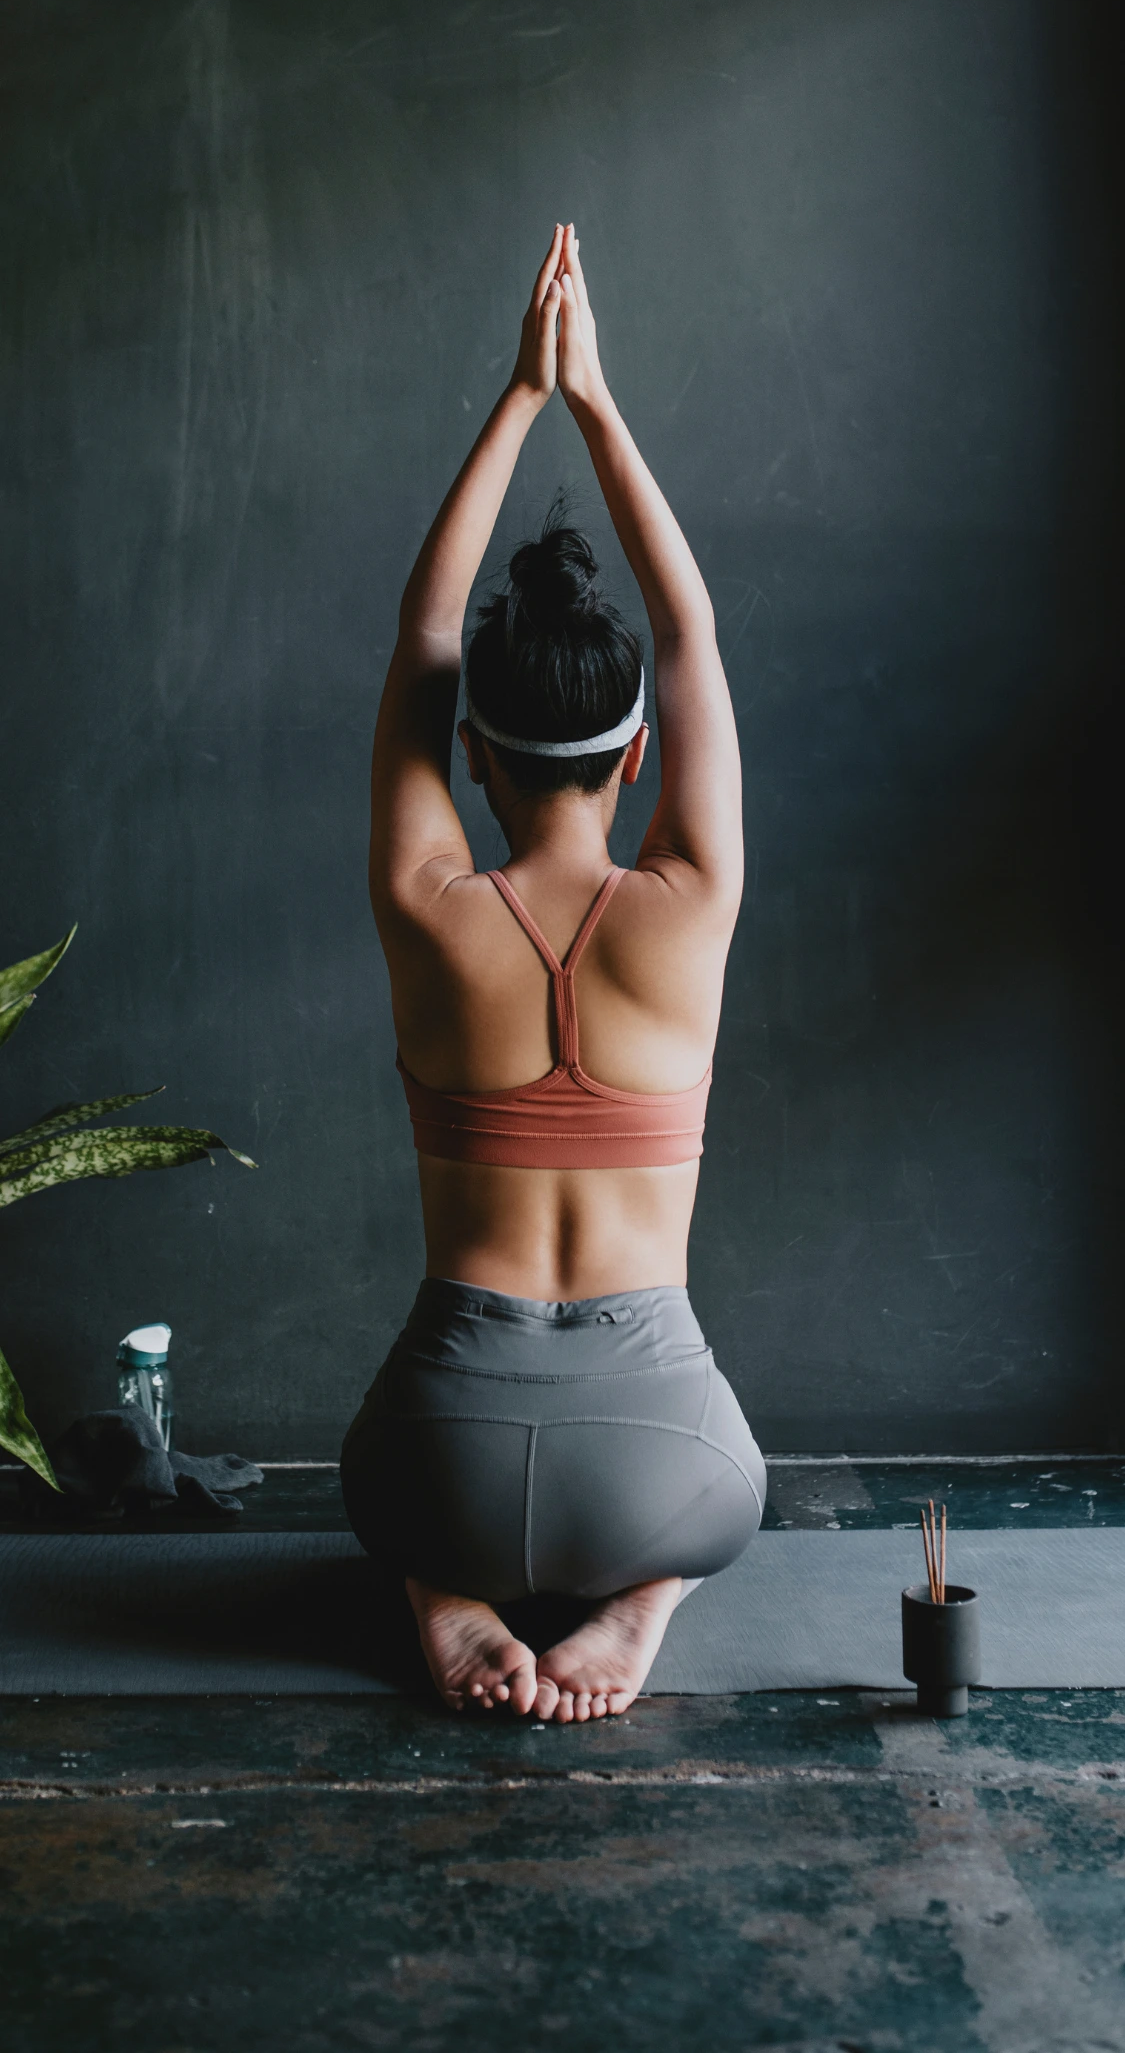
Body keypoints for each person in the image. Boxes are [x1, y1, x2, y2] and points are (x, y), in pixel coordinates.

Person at [342, 223, 765, 1723]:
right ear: (637, 756)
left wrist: (516, 396)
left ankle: (440, 1591)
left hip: (435, 1462)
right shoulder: (692, 904)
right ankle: (643, 1603)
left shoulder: (425, 901)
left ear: (473, 756)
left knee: (376, 1487)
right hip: (672, 1469)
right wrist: (593, 400)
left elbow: (423, 632)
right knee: (729, 1497)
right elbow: (690, 631)